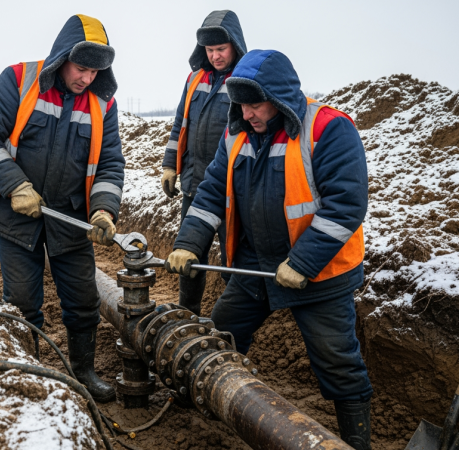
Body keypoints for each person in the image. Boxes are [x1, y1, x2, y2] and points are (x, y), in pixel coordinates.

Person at [164, 49, 373, 450]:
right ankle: (194, 403)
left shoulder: (328, 129)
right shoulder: (237, 132)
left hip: (320, 275)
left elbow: (346, 204)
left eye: (255, 103)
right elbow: (209, 194)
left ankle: (356, 441)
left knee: (337, 361)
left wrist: (303, 262)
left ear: (279, 97)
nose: (247, 113)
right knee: (219, 335)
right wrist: (189, 244)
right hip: (254, 270)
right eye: (240, 104)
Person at [0, 14, 124, 402]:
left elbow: (109, 164)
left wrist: (103, 210)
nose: (87, 78)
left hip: (70, 218)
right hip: (16, 215)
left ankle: (83, 371)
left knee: (83, 300)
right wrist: (15, 185)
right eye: (81, 68)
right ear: (62, 57)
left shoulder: (103, 104)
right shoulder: (20, 81)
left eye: (95, 71)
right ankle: (31, 373)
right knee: (22, 302)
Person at [161, 10, 246, 316]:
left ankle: (235, 318)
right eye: (209, 50)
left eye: (220, 49)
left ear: (235, 45)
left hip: (231, 190)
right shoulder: (195, 78)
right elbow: (179, 124)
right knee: (188, 255)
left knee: (231, 260)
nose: (215, 56)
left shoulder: (245, 81)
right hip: (195, 183)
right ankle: (189, 311)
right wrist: (170, 164)